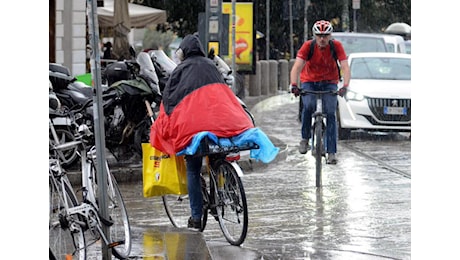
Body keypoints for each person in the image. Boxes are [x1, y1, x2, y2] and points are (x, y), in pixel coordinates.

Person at [149, 34, 255, 230]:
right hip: (219, 126)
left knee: (193, 168)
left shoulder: (180, 70)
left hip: (194, 130)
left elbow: (170, 100)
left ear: (184, 53)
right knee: (216, 156)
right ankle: (220, 194)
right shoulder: (210, 66)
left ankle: (196, 218)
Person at [289, 20, 351, 164]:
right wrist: (294, 84)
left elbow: (345, 67)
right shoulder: (307, 46)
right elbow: (297, 67)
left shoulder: (336, 46)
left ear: (330, 36)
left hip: (330, 82)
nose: (322, 39)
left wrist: (345, 85)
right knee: (308, 105)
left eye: (325, 35)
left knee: (330, 113)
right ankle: (305, 138)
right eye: (319, 36)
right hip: (309, 81)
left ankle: (331, 152)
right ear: (314, 36)